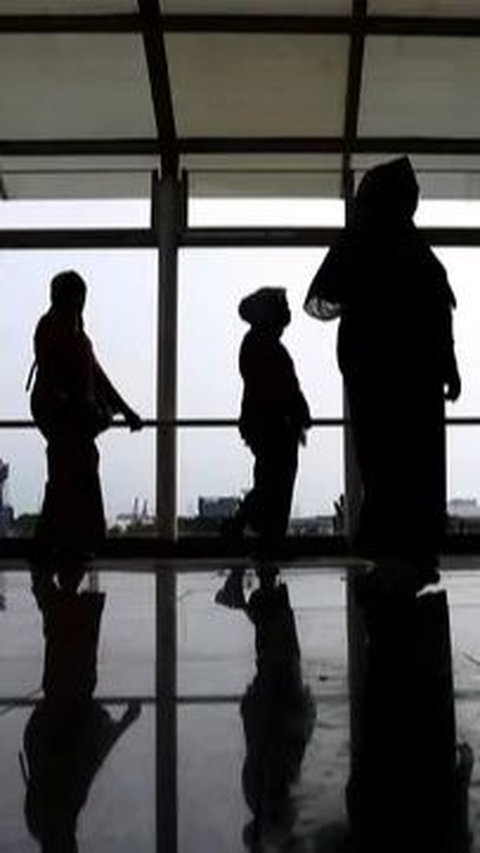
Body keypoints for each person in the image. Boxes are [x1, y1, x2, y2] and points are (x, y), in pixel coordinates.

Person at [304, 157, 461, 594]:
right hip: (417, 379)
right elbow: (439, 315)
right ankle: (413, 551)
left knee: (382, 460)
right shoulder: (417, 250)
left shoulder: (359, 243)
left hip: (375, 375)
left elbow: (324, 296)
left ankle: (394, 552)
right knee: (415, 461)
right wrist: (448, 366)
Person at [29, 270, 142, 592]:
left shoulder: (65, 330)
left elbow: (94, 374)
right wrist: (114, 409)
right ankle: (63, 544)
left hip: (69, 418)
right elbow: (76, 376)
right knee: (73, 477)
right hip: (67, 419)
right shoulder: (61, 331)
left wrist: (122, 407)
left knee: (69, 478)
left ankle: (60, 544)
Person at [216, 287, 310, 605]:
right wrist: (296, 412)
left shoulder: (256, 344)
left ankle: (257, 535)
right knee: (276, 482)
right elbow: (282, 386)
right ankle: (257, 534)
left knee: (270, 481)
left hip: (264, 423)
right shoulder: (266, 346)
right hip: (274, 424)